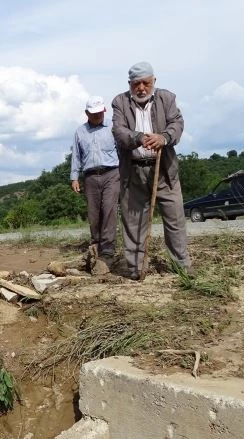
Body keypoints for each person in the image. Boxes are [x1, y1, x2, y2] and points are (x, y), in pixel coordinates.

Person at [111, 62, 192, 279]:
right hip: (134, 173)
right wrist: (138, 137)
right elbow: (119, 131)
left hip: (164, 171)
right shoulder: (120, 102)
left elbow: (177, 123)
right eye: (136, 84)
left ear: (153, 81)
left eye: (146, 83)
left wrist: (163, 137)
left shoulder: (167, 99)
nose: (141, 88)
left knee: (175, 219)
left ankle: (181, 267)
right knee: (133, 222)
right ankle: (136, 269)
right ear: (130, 85)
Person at [70, 95, 120, 261]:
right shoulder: (80, 132)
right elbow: (76, 156)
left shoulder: (113, 127)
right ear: (87, 113)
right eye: (94, 113)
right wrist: (74, 177)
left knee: (109, 209)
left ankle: (108, 248)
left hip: (111, 173)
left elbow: (121, 150)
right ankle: (96, 244)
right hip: (90, 176)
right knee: (94, 213)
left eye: (100, 112)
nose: (98, 116)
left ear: (105, 110)